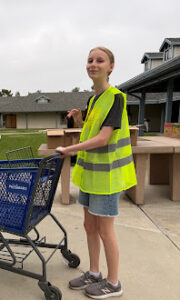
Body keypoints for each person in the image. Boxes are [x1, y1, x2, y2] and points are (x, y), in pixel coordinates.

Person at [56, 47, 137, 299]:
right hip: (91, 176)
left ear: (110, 66)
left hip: (108, 177)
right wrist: (80, 120)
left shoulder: (116, 97)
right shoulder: (93, 100)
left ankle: (113, 283)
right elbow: (91, 133)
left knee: (105, 230)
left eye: (99, 60)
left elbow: (103, 139)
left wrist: (69, 149)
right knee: (89, 226)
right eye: (90, 60)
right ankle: (94, 273)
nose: (93, 64)